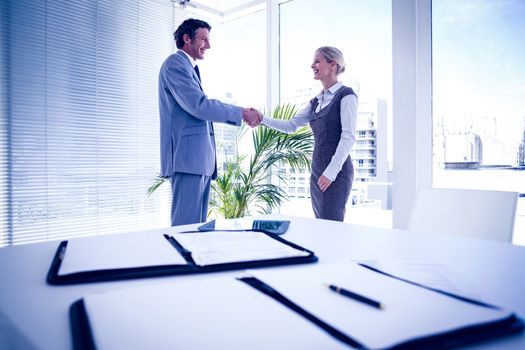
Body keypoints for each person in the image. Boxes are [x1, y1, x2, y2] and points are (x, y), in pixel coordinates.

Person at [159, 18, 261, 226]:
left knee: (195, 228)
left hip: (197, 161)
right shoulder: (175, 64)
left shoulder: (190, 68)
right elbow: (199, 105)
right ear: (187, 39)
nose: (209, 45)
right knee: (185, 228)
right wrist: (241, 112)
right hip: (186, 161)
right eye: (204, 39)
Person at [261, 46, 358, 222]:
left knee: (332, 225)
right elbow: (291, 125)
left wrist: (331, 173)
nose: (312, 65)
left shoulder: (346, 95)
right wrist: (261, 118)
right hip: (317, 171)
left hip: (336, 172)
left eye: (317, 61)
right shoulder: (316, 101)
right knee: (321, 223)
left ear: (332, 64)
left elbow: (348, 138)